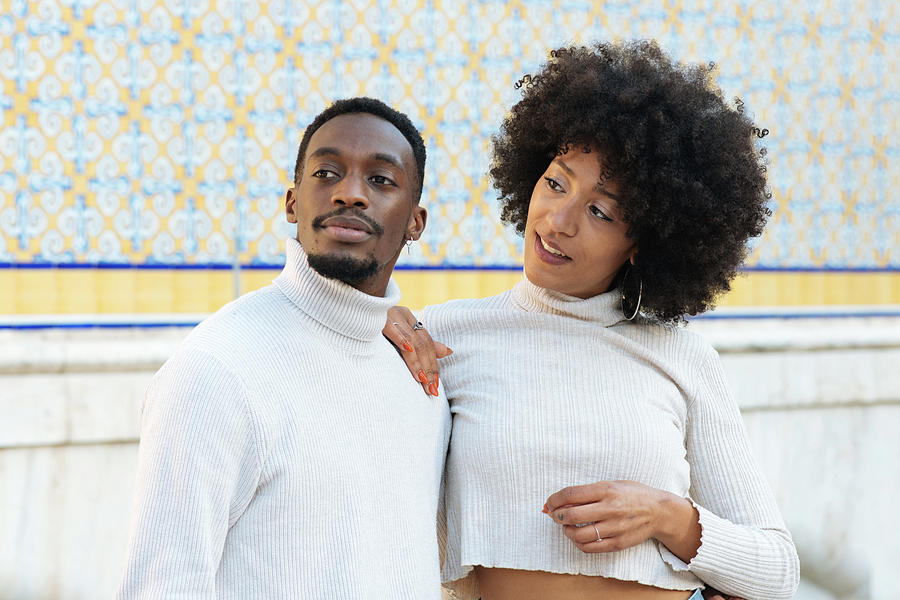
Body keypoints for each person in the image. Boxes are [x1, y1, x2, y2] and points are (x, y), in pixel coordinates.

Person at [386, 41, 799, 600]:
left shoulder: (682, 357)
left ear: (642, 243)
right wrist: (369, 328)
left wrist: (666, 516)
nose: (557, 222)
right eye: (555, 183)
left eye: (601, 211)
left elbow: (777, 572)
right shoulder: (448, 338)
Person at [117, 97, 451, 599]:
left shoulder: (420, 375)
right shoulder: (218, 369)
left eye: (380, 180)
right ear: (293, 202)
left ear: (415, 223)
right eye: (327, 173)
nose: (349, 194)